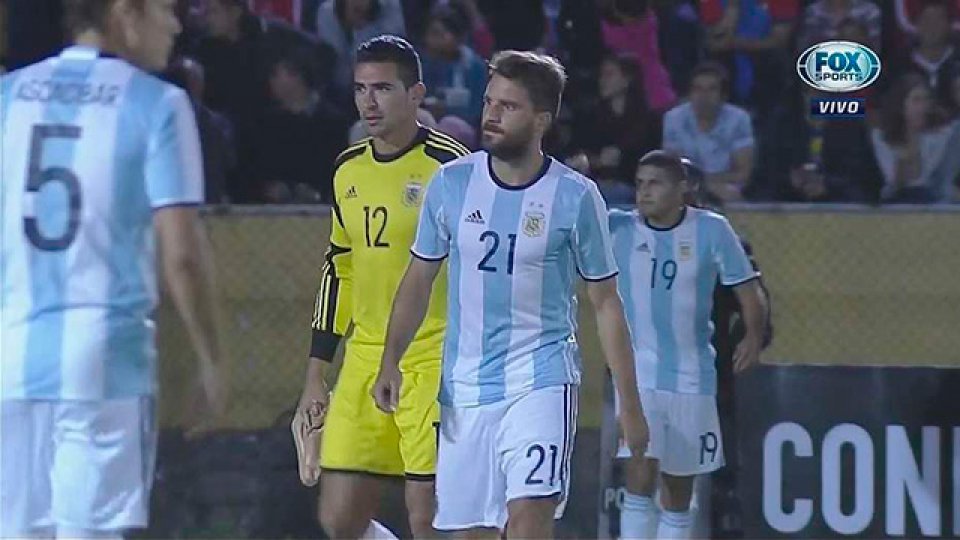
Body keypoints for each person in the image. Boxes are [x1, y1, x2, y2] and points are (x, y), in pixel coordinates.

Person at [373, 50, 649, 539]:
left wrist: (629, 404)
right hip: (465, 390)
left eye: (509, 106)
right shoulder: (452, 184)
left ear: (542, 119)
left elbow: (605, 302)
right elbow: (419, 278)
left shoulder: (576, 196)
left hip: (541, 382)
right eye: (488, 102)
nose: (491, 115)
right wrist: (391, 357)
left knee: (527, 520)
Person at [0, 1, 227, 538]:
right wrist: (211, 358)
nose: (175, 25)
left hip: (10, 358)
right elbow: (183, 255)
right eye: (166, 10)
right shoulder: (157, 104)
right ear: (126, 12)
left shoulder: (9, 97)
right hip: (104, 360)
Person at [293, 35, 470, 540]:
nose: (369, 102)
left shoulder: (451, 168)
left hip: (436, 354)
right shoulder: (347, 168)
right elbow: (338, 269)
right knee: (339, 517)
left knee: (426, 513)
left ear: (416, 94)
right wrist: (315, 374)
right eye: (360, 89)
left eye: (383, 89)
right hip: (365, 356)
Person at [608, 150, 767, 540]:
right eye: (640, 183)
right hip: (638, 377)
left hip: (693, 378)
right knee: (639, 475)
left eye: (655, 183)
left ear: (683, 189)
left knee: (678, 492)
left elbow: (750, 292)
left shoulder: (712, 230)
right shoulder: (617, 228)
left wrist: (753, 336)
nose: (643, 192)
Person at [662, 61, 754, 203]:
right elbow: (673, 170)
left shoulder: (739, 119)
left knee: (731, 194)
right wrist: (705, 185)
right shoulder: (674, 119)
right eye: (698, 89)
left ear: (723, 95)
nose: (703, 96)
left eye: (711, 89)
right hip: (686, 186)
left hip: (726, 187)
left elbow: (742, 173)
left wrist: (707, 184)